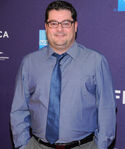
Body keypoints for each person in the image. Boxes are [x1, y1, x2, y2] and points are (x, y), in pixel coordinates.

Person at [10, 1, 116, 149]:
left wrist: (100, 146)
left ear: (75, 26)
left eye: (66, 23)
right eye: (53, 23)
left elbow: (107, 110)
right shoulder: (29, 63)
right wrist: (23, 145)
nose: (59, 29)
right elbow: (19, 109)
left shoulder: (96, 61)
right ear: (46, 27)